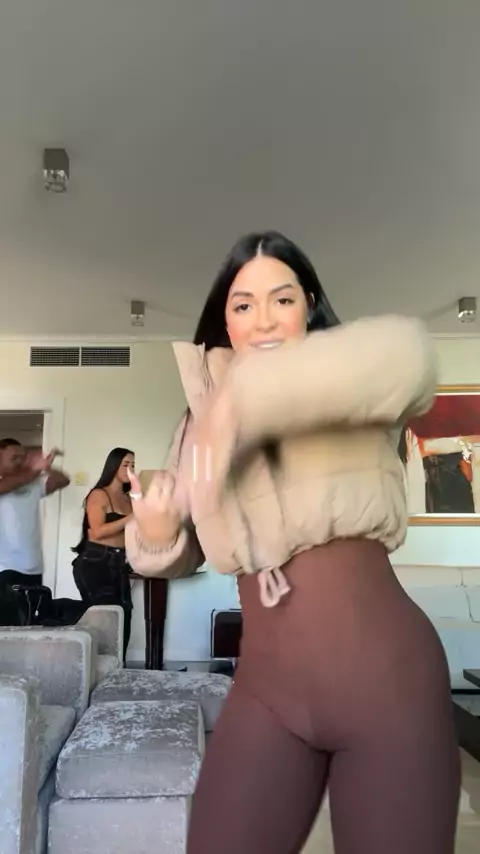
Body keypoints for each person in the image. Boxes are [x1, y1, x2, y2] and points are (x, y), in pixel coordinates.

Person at [125, 231, 460, 854]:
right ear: (225, 320)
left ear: (308, 304)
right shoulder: (198, 422)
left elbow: (412, 356)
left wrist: (242, 400)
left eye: (282, 298)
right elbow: (183, 547)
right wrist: (157, 527)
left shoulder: (354, 380)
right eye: (243, 304)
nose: (263, 318)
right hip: (268, 694)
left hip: (389, 686)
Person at [72, 447, 134, 660]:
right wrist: (131, 518)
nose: (130, 469)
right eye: (125, 464)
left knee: (124, 616)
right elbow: (97, 531)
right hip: (96, 562)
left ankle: (118, 669)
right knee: (104, 619)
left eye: (133, 465)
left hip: (119, 562)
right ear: (113, 466)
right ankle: (94, 670)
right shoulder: (99, 494)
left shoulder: (129, 498)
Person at [0, 438, 70, 586]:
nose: (20, 462)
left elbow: (63, 480)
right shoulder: (9, 482)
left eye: (22, 457)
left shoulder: (33, 482)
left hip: (33, 567)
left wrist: (47, 467)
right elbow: (8, 485)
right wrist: (36, 469)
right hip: (5, 568)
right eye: (14, 458)